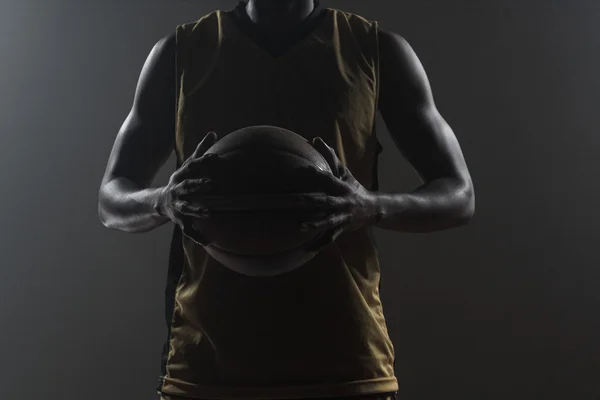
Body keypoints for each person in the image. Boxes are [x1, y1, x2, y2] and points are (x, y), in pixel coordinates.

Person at [98, 0, 475, 399]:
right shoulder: (181, 52)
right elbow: (111, 197)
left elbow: (458, 194)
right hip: (207, 366)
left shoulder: (373, 48)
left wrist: (371, 205)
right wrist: (164, 200)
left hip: (345, 363)